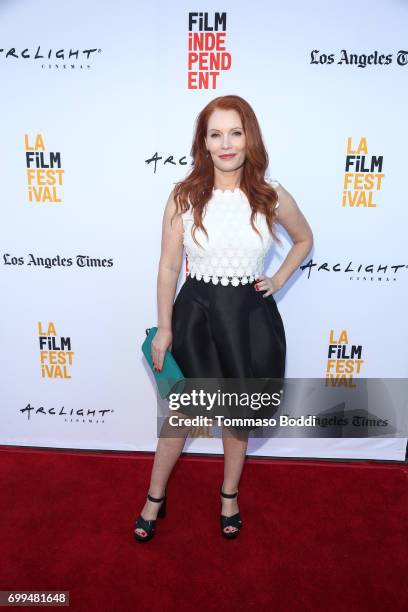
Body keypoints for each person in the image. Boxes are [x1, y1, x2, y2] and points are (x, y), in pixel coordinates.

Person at [134, 94, 313, 542]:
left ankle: (229, 494)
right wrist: (165, 328)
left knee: (238, 418)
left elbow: (304, 240)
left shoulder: (270, 195)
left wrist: (277, 279)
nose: (227, 143)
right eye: (216, 134)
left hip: (249, 321)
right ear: (204, 142)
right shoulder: (185, 195)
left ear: (249, 137)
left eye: (236, 132)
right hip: (195, 317)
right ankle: (155, 494)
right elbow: (169, 267)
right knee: (181, 418)